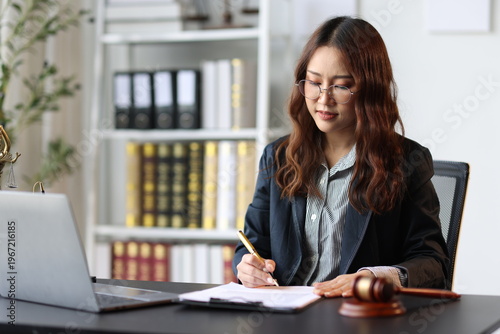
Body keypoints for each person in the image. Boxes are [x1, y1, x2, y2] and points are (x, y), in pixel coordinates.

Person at [232, 16, 449, 298]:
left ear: (369, 89)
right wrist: (247, 266)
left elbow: (434, 264)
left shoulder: (406, 161)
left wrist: (375, 277)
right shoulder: (278, 157)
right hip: (282, 316)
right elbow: (252, 244)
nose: (324, 99)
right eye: (313, 83)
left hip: (357, 317)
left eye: (341, 86)